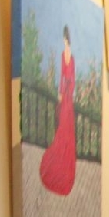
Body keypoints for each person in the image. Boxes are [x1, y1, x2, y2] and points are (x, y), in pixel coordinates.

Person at [39, 25, 78, 196]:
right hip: (66, 96)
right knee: (63, 126)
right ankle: (60, 156)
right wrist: (62, 92)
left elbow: (70, 78)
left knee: (66, 127)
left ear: (66, 39)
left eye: (64, 38)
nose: (64, 41)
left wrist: (65, 92)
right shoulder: (64, 55)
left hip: (67, 97)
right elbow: (64, 76)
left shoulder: (70, 57)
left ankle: (64, 161)